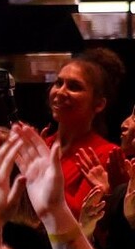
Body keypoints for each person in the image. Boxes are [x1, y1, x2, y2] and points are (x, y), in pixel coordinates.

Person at [40, 50, 126, 217]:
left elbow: (79, 217)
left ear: (99, 104)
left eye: (74, 87)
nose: (60, 92)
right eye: (58, 83)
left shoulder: (105, 154)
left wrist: (41, 172)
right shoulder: (44, 145)